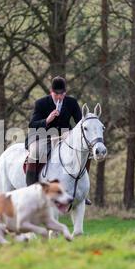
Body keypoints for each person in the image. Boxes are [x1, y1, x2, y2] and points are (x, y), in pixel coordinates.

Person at [24, 76, 92, 205]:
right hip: (43, 135)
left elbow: (80, 123)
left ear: (65, 93)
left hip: (65, 135)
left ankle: (83, 191)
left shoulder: (71, 102)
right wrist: (47, 120)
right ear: (51, 91)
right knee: (36, 152)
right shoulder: (41, 103)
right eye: (56, 94)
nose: (59, 97)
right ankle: (31, 190)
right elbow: (32, 124)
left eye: (62, 94)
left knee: (85, 151)